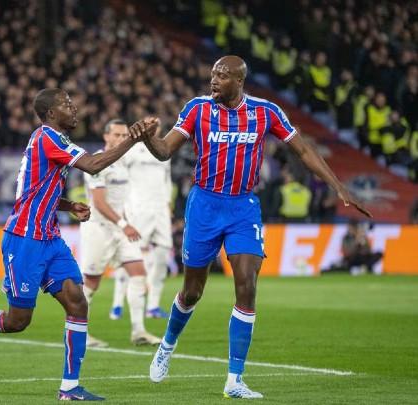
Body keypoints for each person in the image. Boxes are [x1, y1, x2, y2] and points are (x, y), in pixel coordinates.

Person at [133, 56, 371, 399]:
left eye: (222, 75)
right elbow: (164, 150)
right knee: (192, 292)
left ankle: (235, 379)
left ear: (239, 81)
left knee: (247, 286)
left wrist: (338, 187)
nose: (214, 80)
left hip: (243, 208)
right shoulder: (197, 109)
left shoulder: (266, 112)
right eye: (213, 74)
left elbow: (303, 150)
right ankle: (167, 345)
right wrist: (147, 139)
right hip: (204, 205)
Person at [0, 88, 156, 401]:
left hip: (50, 239)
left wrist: (68, 205)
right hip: (24, 239)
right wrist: (132, 138)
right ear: (50, 113)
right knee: (17, 321)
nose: (73, 108)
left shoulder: (54, 141)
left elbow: (32, 189)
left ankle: (69, 387)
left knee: (77, 302)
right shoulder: (47, 137)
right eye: (66, 104)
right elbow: (93, 165)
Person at [80, 119, 161, 347]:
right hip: (98, 228)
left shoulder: (124, 162)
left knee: (139, 273)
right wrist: (124, 224)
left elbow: (120, 200)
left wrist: (126, 222)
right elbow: (99, 203)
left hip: (120, 228)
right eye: (116, 134)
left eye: (124, 135)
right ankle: (80, 333)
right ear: (106, 136)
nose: (121, 139)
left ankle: (139, 331)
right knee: (91, 282)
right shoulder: (96, 162)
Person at [109, 129, 174, 320]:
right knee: (131, 256)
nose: (154, 127)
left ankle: (153, 306)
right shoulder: (131, 149)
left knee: (162, 255)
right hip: (139, 208)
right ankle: (117, 303)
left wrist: (168, 203)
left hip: (160, 209)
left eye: (156, 124)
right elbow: (120, 176)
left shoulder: (164, 149)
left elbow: (167, 180)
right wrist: (125, 206)